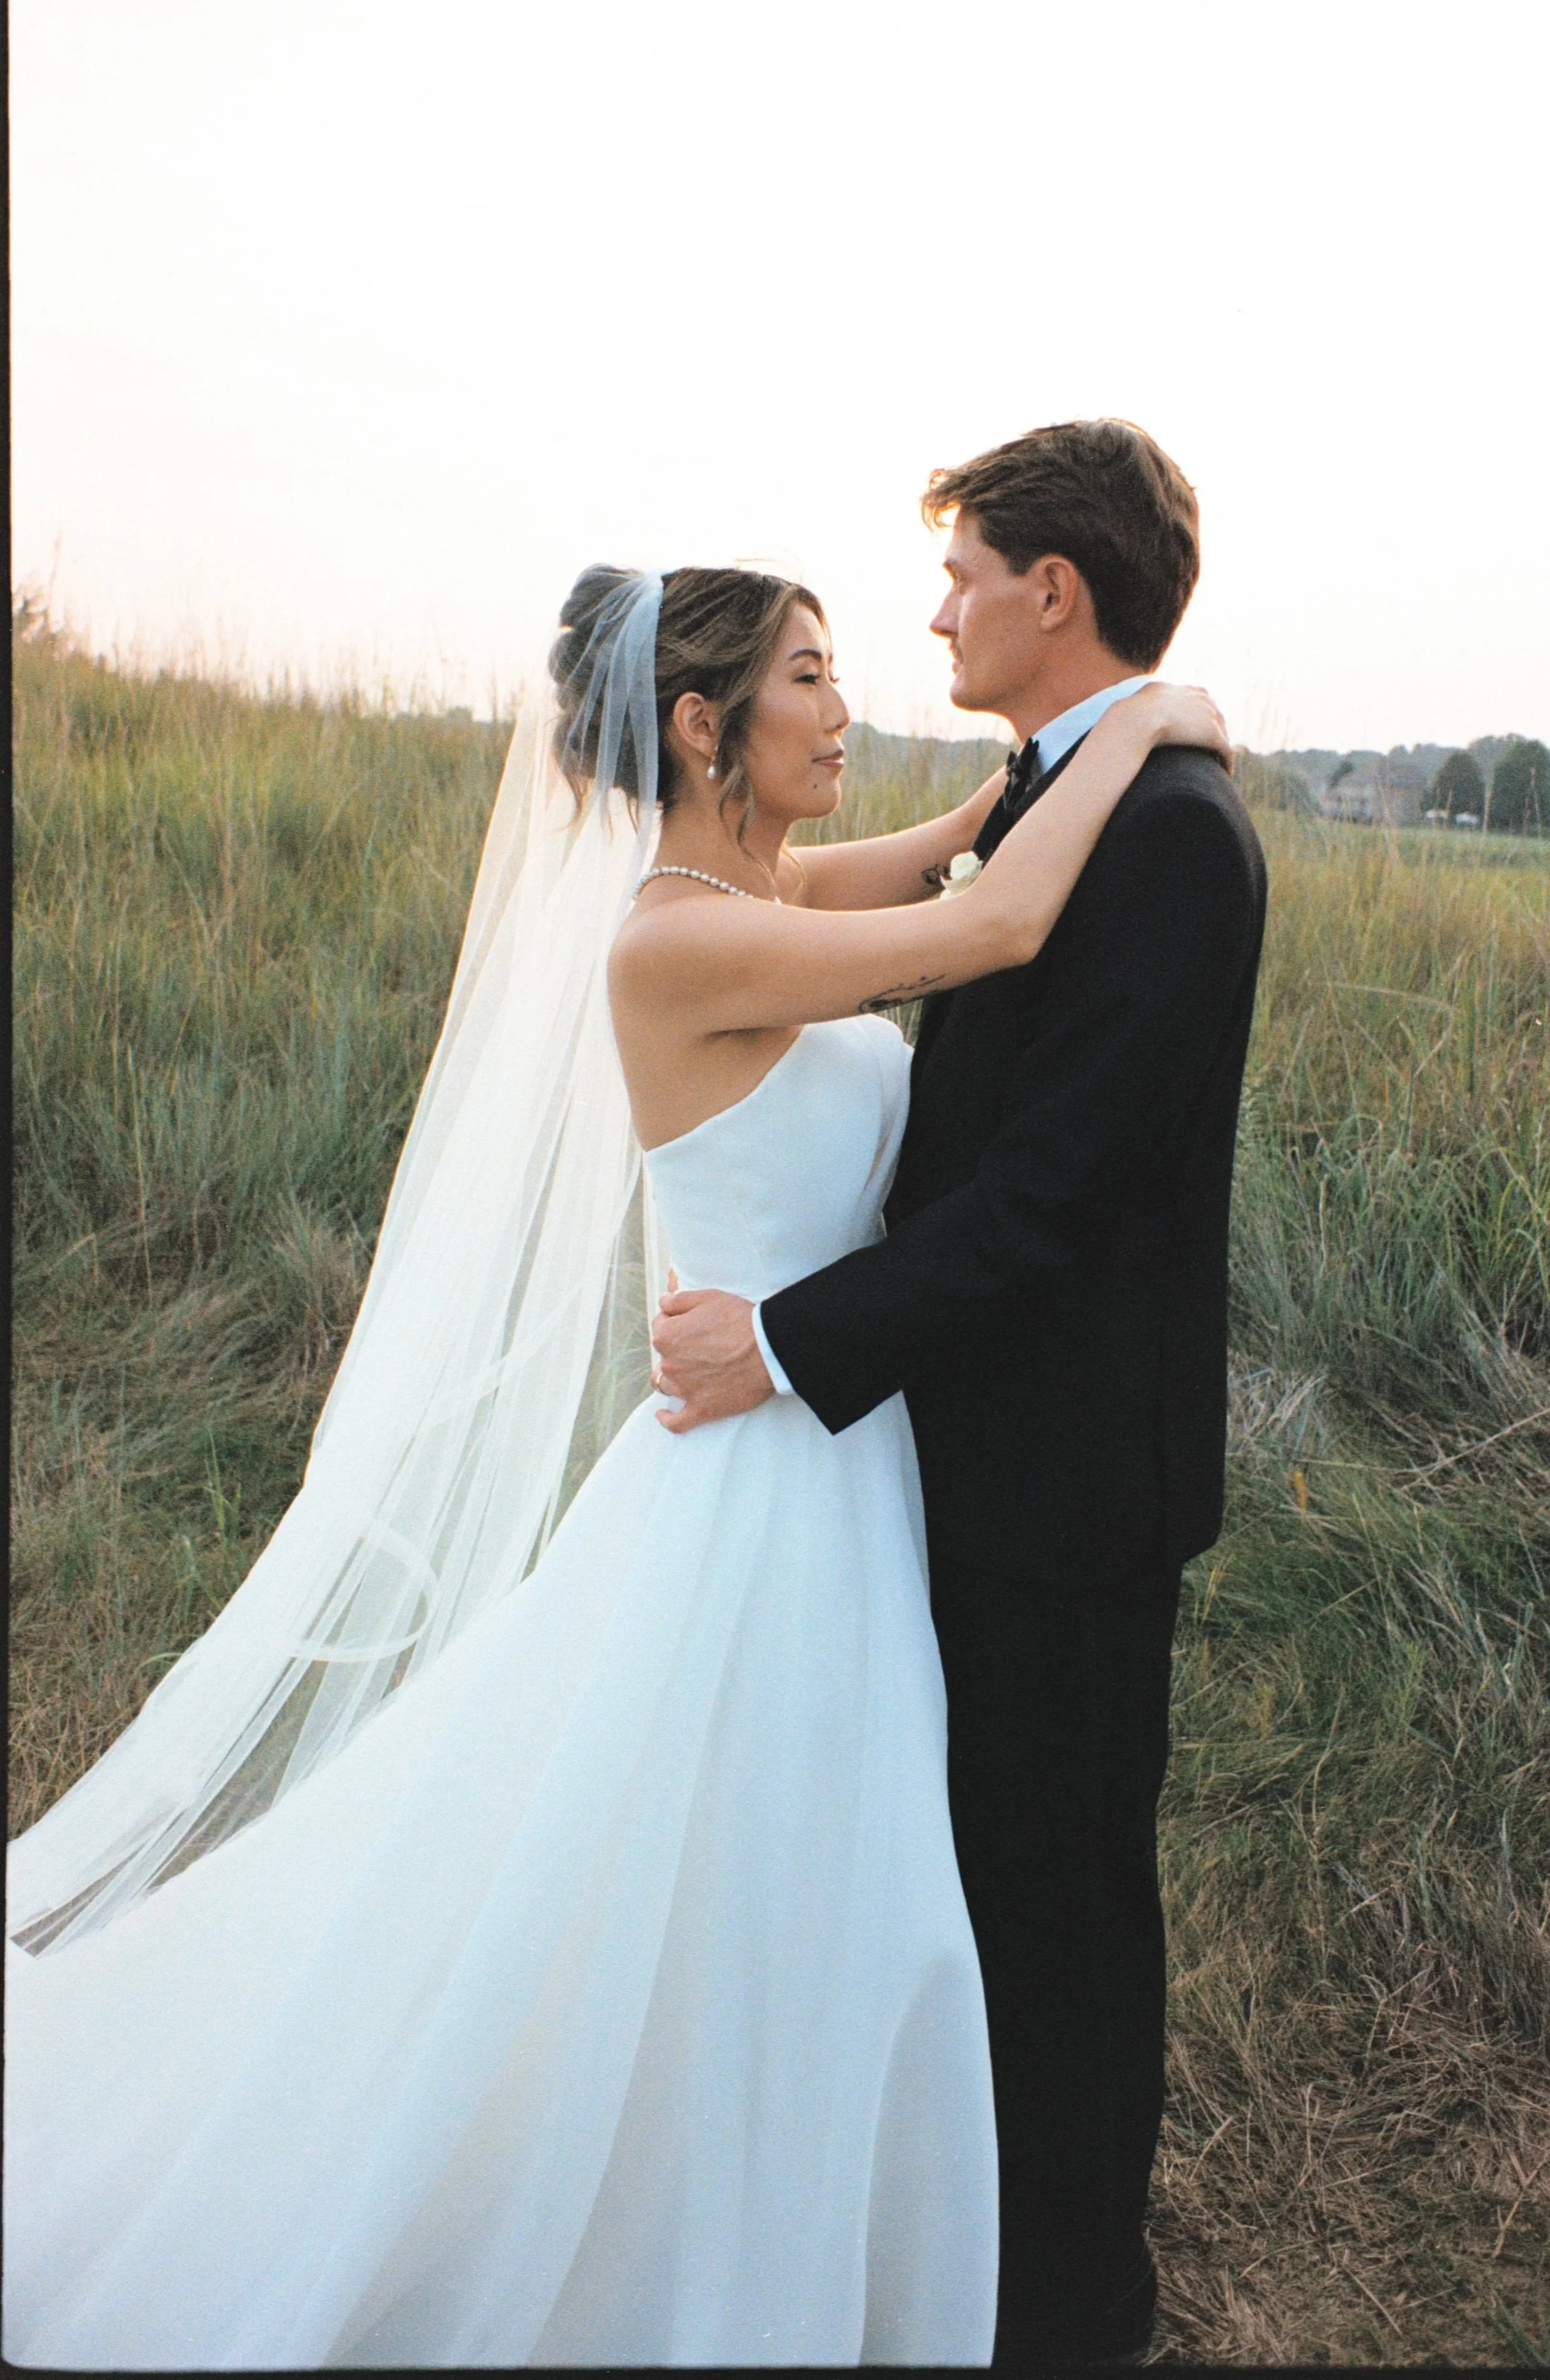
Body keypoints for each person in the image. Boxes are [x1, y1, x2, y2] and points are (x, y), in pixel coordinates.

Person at [3, 553, 1230, 2370]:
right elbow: (989, 927)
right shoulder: (679, 939)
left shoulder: (756, 889)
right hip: (758, 1481)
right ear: (699, 722)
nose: (843, 699)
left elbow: (964, 846)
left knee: (806, 1869)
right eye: (807, 674)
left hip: (826, 1446)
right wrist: (1146, 724)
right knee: (750, 1866)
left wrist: (1046, 763)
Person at [653, 420, 1269, 2367]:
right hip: (961, 1448)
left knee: (1064, 1890)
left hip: (1071, 1466)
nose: (936, 608)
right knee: (974, 1872)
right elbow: (966, 932)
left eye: (958, 575)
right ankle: (943, 2225)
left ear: (1050, 592)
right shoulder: (1051, 796)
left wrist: (792, 1339)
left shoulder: (1164, 835)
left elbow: (1050, 1201)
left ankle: (1078, 2307)